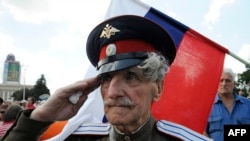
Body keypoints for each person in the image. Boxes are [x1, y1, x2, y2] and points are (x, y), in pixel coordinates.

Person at [1, 15, 211, 141]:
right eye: (106, 79)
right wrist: (40, 118)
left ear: (157, 87)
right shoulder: (77, 137)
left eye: (131, 76)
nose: (112, 92)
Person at [204, 68, 250, 141]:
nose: (224, 84)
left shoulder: (247, 104)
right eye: (221, 80)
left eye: (228, 81)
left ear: (234, 84)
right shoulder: (207, 105)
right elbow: (202, 131)